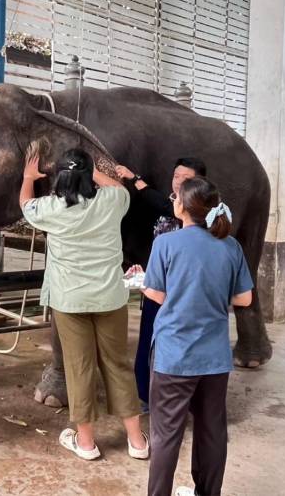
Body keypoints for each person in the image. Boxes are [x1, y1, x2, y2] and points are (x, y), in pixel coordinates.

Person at [20, 145, 149, 461]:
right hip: (110, 298)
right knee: (118, 365)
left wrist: (27, 177)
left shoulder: (49, 208)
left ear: (61, 177)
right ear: (88, 175)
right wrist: (92, 170)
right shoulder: (112, 201)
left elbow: (25, 204)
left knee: (79, 368)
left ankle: (87, 443)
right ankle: (137, 442)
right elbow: (118, 186)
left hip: (70, 301)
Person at [141, 177, 253, 496]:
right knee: (212, 433)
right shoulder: (231, 246)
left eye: (175, 196)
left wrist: (181, 293)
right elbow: (245, 299)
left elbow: (155, 293)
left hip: (173, 358)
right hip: (215, 360)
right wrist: (213, 295)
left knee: (165, 436)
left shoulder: (166, 243)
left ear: (181, 206)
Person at [116, 158, 207, 407]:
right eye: (176, 176)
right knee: (148, 340)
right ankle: (145, 395)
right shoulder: (164, 205)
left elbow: (165, 207)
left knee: (183, 344)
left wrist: (136, 179)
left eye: (185, 179)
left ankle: (185, 399)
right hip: (157, 289)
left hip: (186, 294)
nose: (178, 182)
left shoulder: (202, 215)